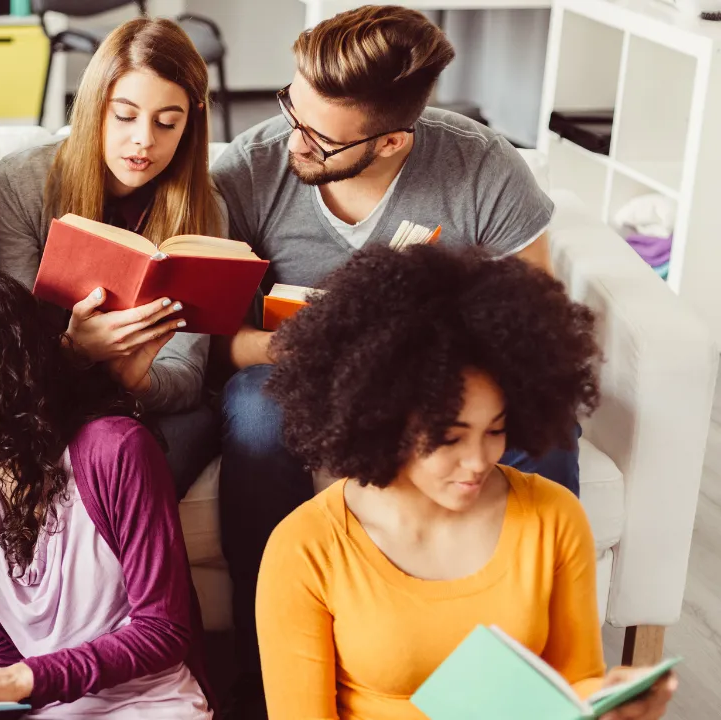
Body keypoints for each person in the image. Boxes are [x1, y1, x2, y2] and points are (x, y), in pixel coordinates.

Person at [208, 8, 575, 712]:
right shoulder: (250, 170)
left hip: (440, 377)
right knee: (255, 411)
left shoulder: (479, 166)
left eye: (321, 135)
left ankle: (522, 681)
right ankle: (268, 674)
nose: (295, 138)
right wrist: (298, 342)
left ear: (392, 141)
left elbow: (539, 320)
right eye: (292, 106)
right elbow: (217, 338)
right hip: (295, 370)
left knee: (545, 430)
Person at [255, 243, 677, 720]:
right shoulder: (306, 548)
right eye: (449, 439)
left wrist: (607, 706)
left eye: (495, 430)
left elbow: (573, 684)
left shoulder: (554, 518)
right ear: (383, 418)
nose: (479, 461)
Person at [0, 270, 210, 718]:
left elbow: (162, 632)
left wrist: (15, 680)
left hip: (151, 705)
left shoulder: (115, 450)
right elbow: (1, 654)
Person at [0, 17, 225, 496]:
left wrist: (136, 380)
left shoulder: (206, 209)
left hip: (144, 406)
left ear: (191, 122)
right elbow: (7, 346)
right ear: (94, 107)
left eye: (167, 123)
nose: (144, 140)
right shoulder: (23, 182)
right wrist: (75, 352)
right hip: (46, 396)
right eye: (124, 116)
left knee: (174, 437)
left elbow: (189, 374)